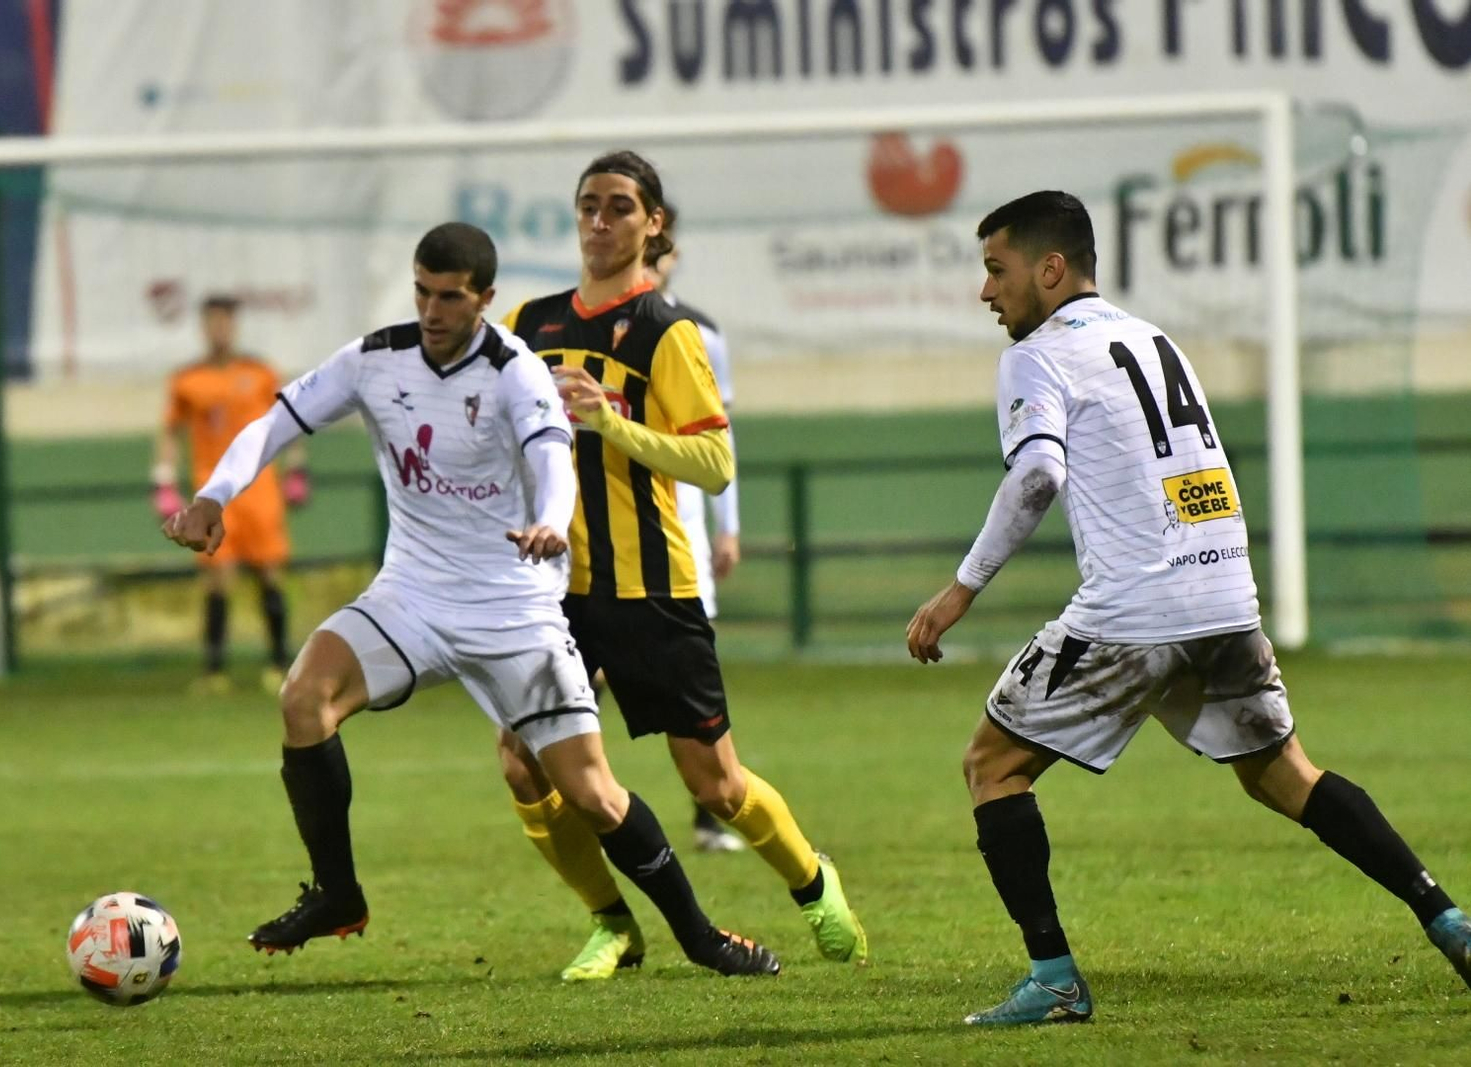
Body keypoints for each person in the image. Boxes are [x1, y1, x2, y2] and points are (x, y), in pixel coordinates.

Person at [904, 189, 1471, 1026]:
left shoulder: (1038, 356)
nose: (986, 292)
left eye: (997, 270)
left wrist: (960, 588)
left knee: (993, 765)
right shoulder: (1151, 336)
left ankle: (1055, 978)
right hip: (1224, 594)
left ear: (1050, 269)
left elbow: (1038, 474)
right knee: (1285, 776)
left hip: (1137, 610)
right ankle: (1447, 917)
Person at [161, 222, 780, 977]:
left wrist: (551, 523)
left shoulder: (515, 370)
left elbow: (552, 455)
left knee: (593, 793)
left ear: (484, 299)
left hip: (512, 609)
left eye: (450, 296)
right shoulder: (374, 358)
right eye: (423, 291)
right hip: (412, 595)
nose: (432, 309)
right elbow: (277, 421)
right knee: (302, 698)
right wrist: (212, 494)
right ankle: (338, 893)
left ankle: (701, 936)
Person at [497, 150, 867, 982]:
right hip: (558, 593)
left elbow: (713, 463)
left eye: (620, 207)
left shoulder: (669, 332)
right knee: (522, 757)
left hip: (654, 589)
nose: (600, 221)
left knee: (715, 783)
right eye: (589, 205)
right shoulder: (530, 321)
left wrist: (611, 424)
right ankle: (612, 922)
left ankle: (812, 883)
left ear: (652, 223)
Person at [644, 206, 745, 855]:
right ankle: (581, 795)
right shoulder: (575, 324)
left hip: (679, 531)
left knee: (689, 671)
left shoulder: (698, 333)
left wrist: (727, 525)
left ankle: (710, 813)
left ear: (670, 254)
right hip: (606, 535)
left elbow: (720, 435)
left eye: (656, 253)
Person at [154, 295, 308, 696]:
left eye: (225, 322)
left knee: (269, 573)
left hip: (260, 491)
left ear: (234, 326)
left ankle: (279, 663)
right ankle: (214, 670)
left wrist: (297, 470)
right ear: (203, 327)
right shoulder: (187, 380)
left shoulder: (259, 373)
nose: (218, 329)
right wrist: (164, 483)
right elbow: (170, 432)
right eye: (211, 322)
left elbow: (290, 418)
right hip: (213, 492)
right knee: (217, 578)